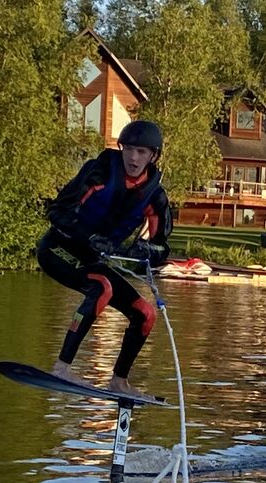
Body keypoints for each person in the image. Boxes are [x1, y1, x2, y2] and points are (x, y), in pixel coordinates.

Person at [36, 120, 172, 397]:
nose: (133, 158)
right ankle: (62, 367)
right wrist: (86, 236)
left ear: (153, 156)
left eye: (142, 152)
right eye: (129, 149)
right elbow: (57, 213)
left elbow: (161, 250)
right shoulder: (98, 173)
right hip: (57, 249)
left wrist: (144, 251)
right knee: (102, 287)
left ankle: (119, 381)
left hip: (92, 261)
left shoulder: (155, 197)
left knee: (145, 313)